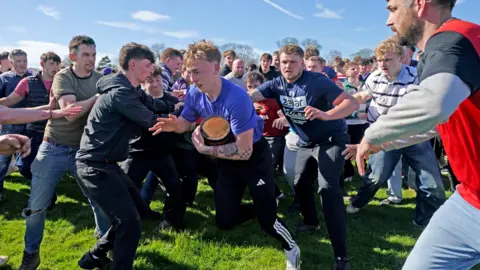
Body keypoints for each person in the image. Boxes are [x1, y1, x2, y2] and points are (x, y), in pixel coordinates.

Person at [150, 40, 301, 270]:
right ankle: (259, 210)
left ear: (215, 67)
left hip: (254, 159)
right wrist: (177, 125)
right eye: (189, 72)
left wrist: (206, 150)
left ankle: (291, 248)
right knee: (224, 220)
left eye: (197, 72)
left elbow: (244, 151)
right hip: (226, 161)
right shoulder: (194, 93)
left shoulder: (237, 99)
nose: (192, 78)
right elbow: (186, 122)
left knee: (268, 223)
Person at [351, 0, 480, 268]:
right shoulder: (451, 45)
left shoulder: (454, 39)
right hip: (470, 202)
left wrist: (373, 134)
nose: (388, 21)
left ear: (419, 5)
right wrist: (386, 142)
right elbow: (442, 119)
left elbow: (434, 103)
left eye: (393, 9)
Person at [249, 44, 359, 270]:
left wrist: (326, 115)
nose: (288, 66)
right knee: (298, 184)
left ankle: (341, 256)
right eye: (284, 62)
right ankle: (311, 222)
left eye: (293, 62)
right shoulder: (276, 83)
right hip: (305, 142)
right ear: (278, 64)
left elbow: (351, 103)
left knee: (327, 188)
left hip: (331, 139)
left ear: (301, 62)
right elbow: (251, 96)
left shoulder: (316, 81)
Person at [75, 43, 176, 270]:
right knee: (129, 224)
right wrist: (181, 121)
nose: (152, 70)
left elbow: (152, 102)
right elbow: (150, 119)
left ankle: (95, 255)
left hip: (108, 165)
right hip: (95, 167)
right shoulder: (121, 93)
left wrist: (175, 103)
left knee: (138, 210)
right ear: (133, 64)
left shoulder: (131, 89)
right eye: (148, 65)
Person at [19, 36, 110, 270]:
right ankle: (31, 253)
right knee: (37, 206)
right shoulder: (63, 76)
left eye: (93, 54)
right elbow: (69, 112)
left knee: (99, 200)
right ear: (73, 57)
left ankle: (102, 248)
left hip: (84, 149)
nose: (91, 59)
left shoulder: (100, 79)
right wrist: (97, 98)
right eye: (85, 55)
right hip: (54, 147)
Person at [343, 38, 446, 227]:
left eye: (388, 60)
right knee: (376, 177)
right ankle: (358, 202)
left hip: (413, 136)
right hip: (381, 136)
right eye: (380, 59)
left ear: (401, 58)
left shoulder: (417, 77)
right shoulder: (375, 77)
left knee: (432, 183)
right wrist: (344, 102)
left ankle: (424, 220)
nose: (382, 64)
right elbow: (363, 96)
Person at [119, 64, 186, 230]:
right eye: (150, 80)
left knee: (175, 188)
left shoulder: (173, 101)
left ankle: (171, 221)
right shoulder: (137, 102)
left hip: (162, 154)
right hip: (137, 152)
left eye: (158, 80)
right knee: (123, 188)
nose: (155, 84)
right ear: (143, 83)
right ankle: (124, 222)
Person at [0, 52, 61, 180]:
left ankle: (46, 192)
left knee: (49, 165)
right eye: (52, 63)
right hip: (31, 128)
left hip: (54, 131)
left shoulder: (63, 82)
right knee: (23, 166)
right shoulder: (28, 81)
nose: (55, 67)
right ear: (42, 65)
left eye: (57, 64)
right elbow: (10, 100)